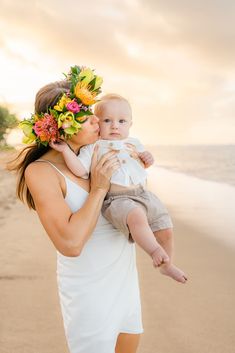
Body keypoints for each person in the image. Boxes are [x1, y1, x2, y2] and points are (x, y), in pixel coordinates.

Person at [10, 66, 144, 353]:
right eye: (88, 118)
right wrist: (98, 188)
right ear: (64, 127)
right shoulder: (42, 171)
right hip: (90, 287)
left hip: (123, 276)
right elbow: (70, 244)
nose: (99, 121)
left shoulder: (98, 153)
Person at [50, 94, 187, 283]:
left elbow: (139, 164)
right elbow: (80, 170)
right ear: (98, 124)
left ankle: (168, 265)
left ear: (130, 124)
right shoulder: (93, 147)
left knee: (165, 226)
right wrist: (66, 151)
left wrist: (147, 159)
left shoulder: (134, 143)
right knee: (137, 218)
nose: (115, 126)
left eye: (122, 121)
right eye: (107, 120)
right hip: (117, 199)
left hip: (143, 193)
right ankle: (154, 250)